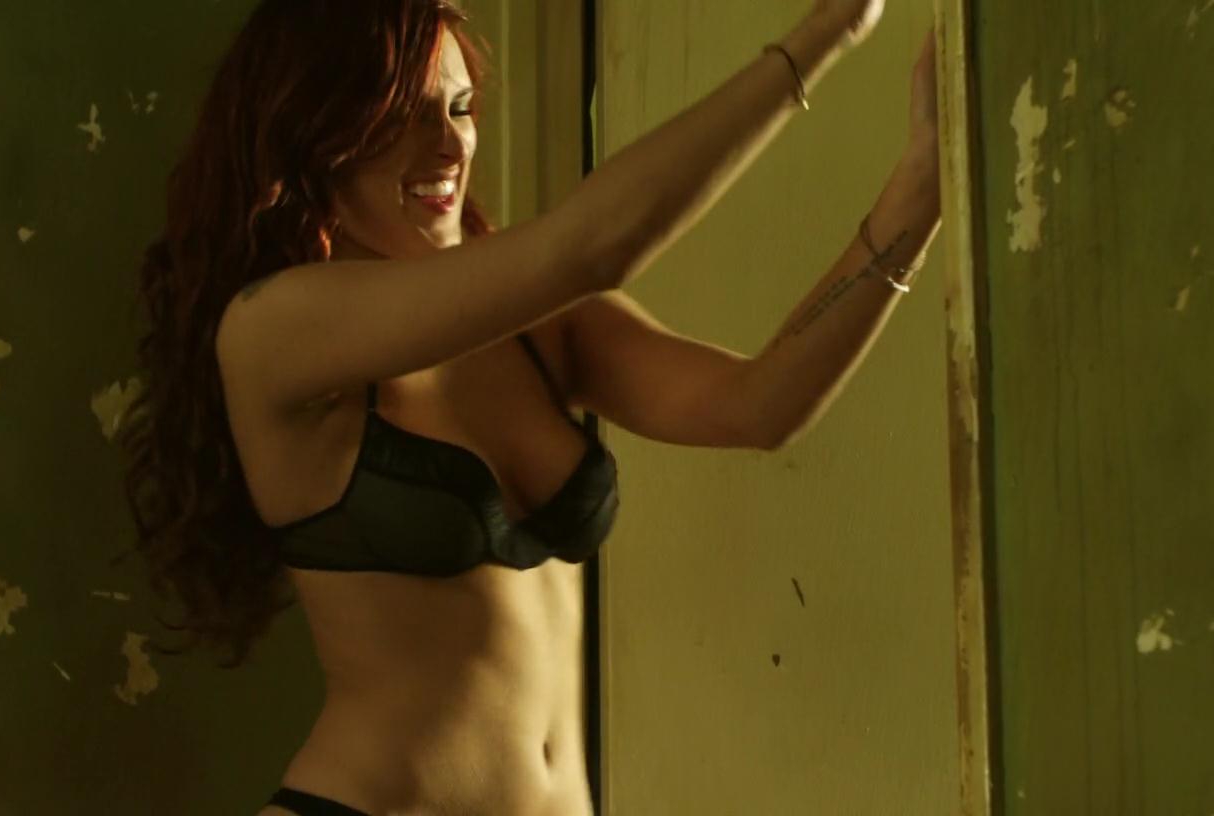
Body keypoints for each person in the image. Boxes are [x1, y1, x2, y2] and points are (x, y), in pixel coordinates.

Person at [120, 0, 940, 812]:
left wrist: (921, 185)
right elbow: (595, 247)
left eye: (460, 107)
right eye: (403, 114)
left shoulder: (529, 330)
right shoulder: (274, 328)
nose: (449, 144)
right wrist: (828, 32)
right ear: (316, 132)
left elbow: (760, 405)